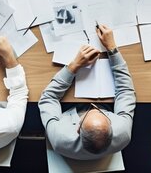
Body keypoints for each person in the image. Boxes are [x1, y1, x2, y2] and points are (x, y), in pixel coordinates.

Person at [38, 23, 136, 160]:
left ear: (77, 128)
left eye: (88, 113)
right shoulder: (123, 133)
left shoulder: (59, 137)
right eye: (99, 112)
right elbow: (126, 91)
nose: (93, 106)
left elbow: (48, 98)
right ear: (111, 125)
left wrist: (73, 66)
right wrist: (112, 49)